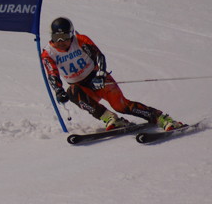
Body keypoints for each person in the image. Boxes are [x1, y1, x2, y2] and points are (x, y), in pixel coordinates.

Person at [41, 17, 184, 131]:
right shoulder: (48, 53)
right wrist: (58, 91)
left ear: (71, 34)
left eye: (64, 36)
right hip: (80, 86)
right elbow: (52, 73)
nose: (60, 41)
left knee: (121, 106)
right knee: (72, 92)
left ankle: (161, 118)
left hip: (96, 79)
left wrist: (101, 75)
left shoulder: (80, 40)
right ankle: (110, 118)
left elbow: (98, 56)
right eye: (56, 37)